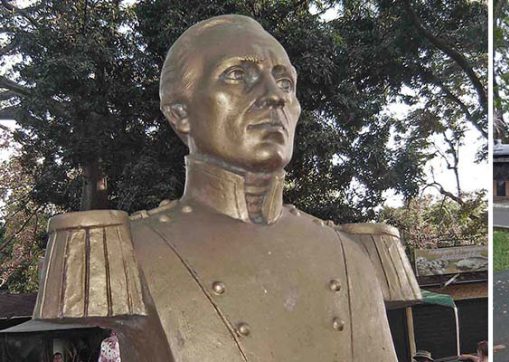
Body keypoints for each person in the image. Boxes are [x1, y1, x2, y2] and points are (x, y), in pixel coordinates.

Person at [33, 14, 419, 362]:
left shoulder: (352, 257)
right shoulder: (120, 251)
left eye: (284, 80)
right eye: (237, 75)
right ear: (179, 112)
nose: (274, 95)